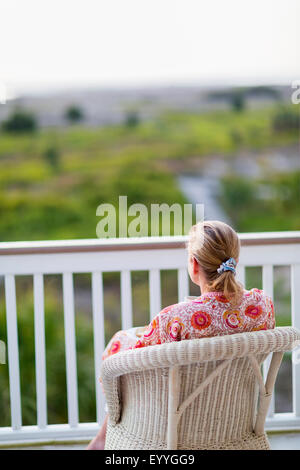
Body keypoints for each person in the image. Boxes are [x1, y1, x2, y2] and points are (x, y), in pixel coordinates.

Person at [87, 220, 275, 450]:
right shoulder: (261, 306)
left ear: (194, 265)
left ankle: (101, 439)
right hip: (233, 420)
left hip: (172, 426)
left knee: (120, 343)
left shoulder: (176, 318)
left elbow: (133, 365)